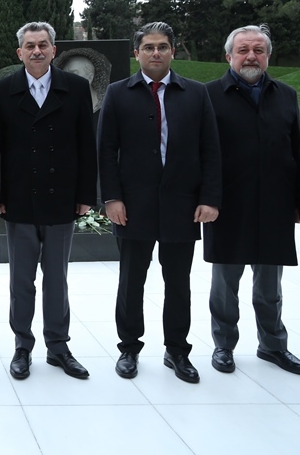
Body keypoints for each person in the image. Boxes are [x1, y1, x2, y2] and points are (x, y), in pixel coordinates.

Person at [98, 22, 221, 383]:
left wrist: (209, 198)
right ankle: (129, 348)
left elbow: (211, 150)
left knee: (178, 282)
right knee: (131, 281)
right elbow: (106, 150)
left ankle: (177, 350)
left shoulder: (196, 93)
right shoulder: (118, 93)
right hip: (132, 206)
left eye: (162, 47)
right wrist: (112, 198)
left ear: (172, 51)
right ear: (136, 53)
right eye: (149, 47)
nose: (156, 53)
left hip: (182, 205)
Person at [0, 22, 97, 380]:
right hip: (19, 200)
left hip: (60, 199)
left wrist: (85, 195)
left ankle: (58, 346)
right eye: (30, 45)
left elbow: (87, 144)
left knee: (57, 278)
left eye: (43, 44)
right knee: (21, 281)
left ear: (54, 50)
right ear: (19, 52)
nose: (36, 51)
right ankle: (22, 346)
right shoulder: (1, 91)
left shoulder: (76, 88)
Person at [204, 25, 300, 374]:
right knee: (225, 284)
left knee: (270, 285)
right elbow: (202, 153)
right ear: (228, 56)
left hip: (275, 203)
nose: (251, 57)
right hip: (227, 204)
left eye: (258, 50)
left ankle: (273, 345)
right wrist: (206, 198)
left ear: (268, 56)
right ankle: (224, 345)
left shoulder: (286, 95)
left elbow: (296, 149)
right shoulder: (209, 96)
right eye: (243, 50)